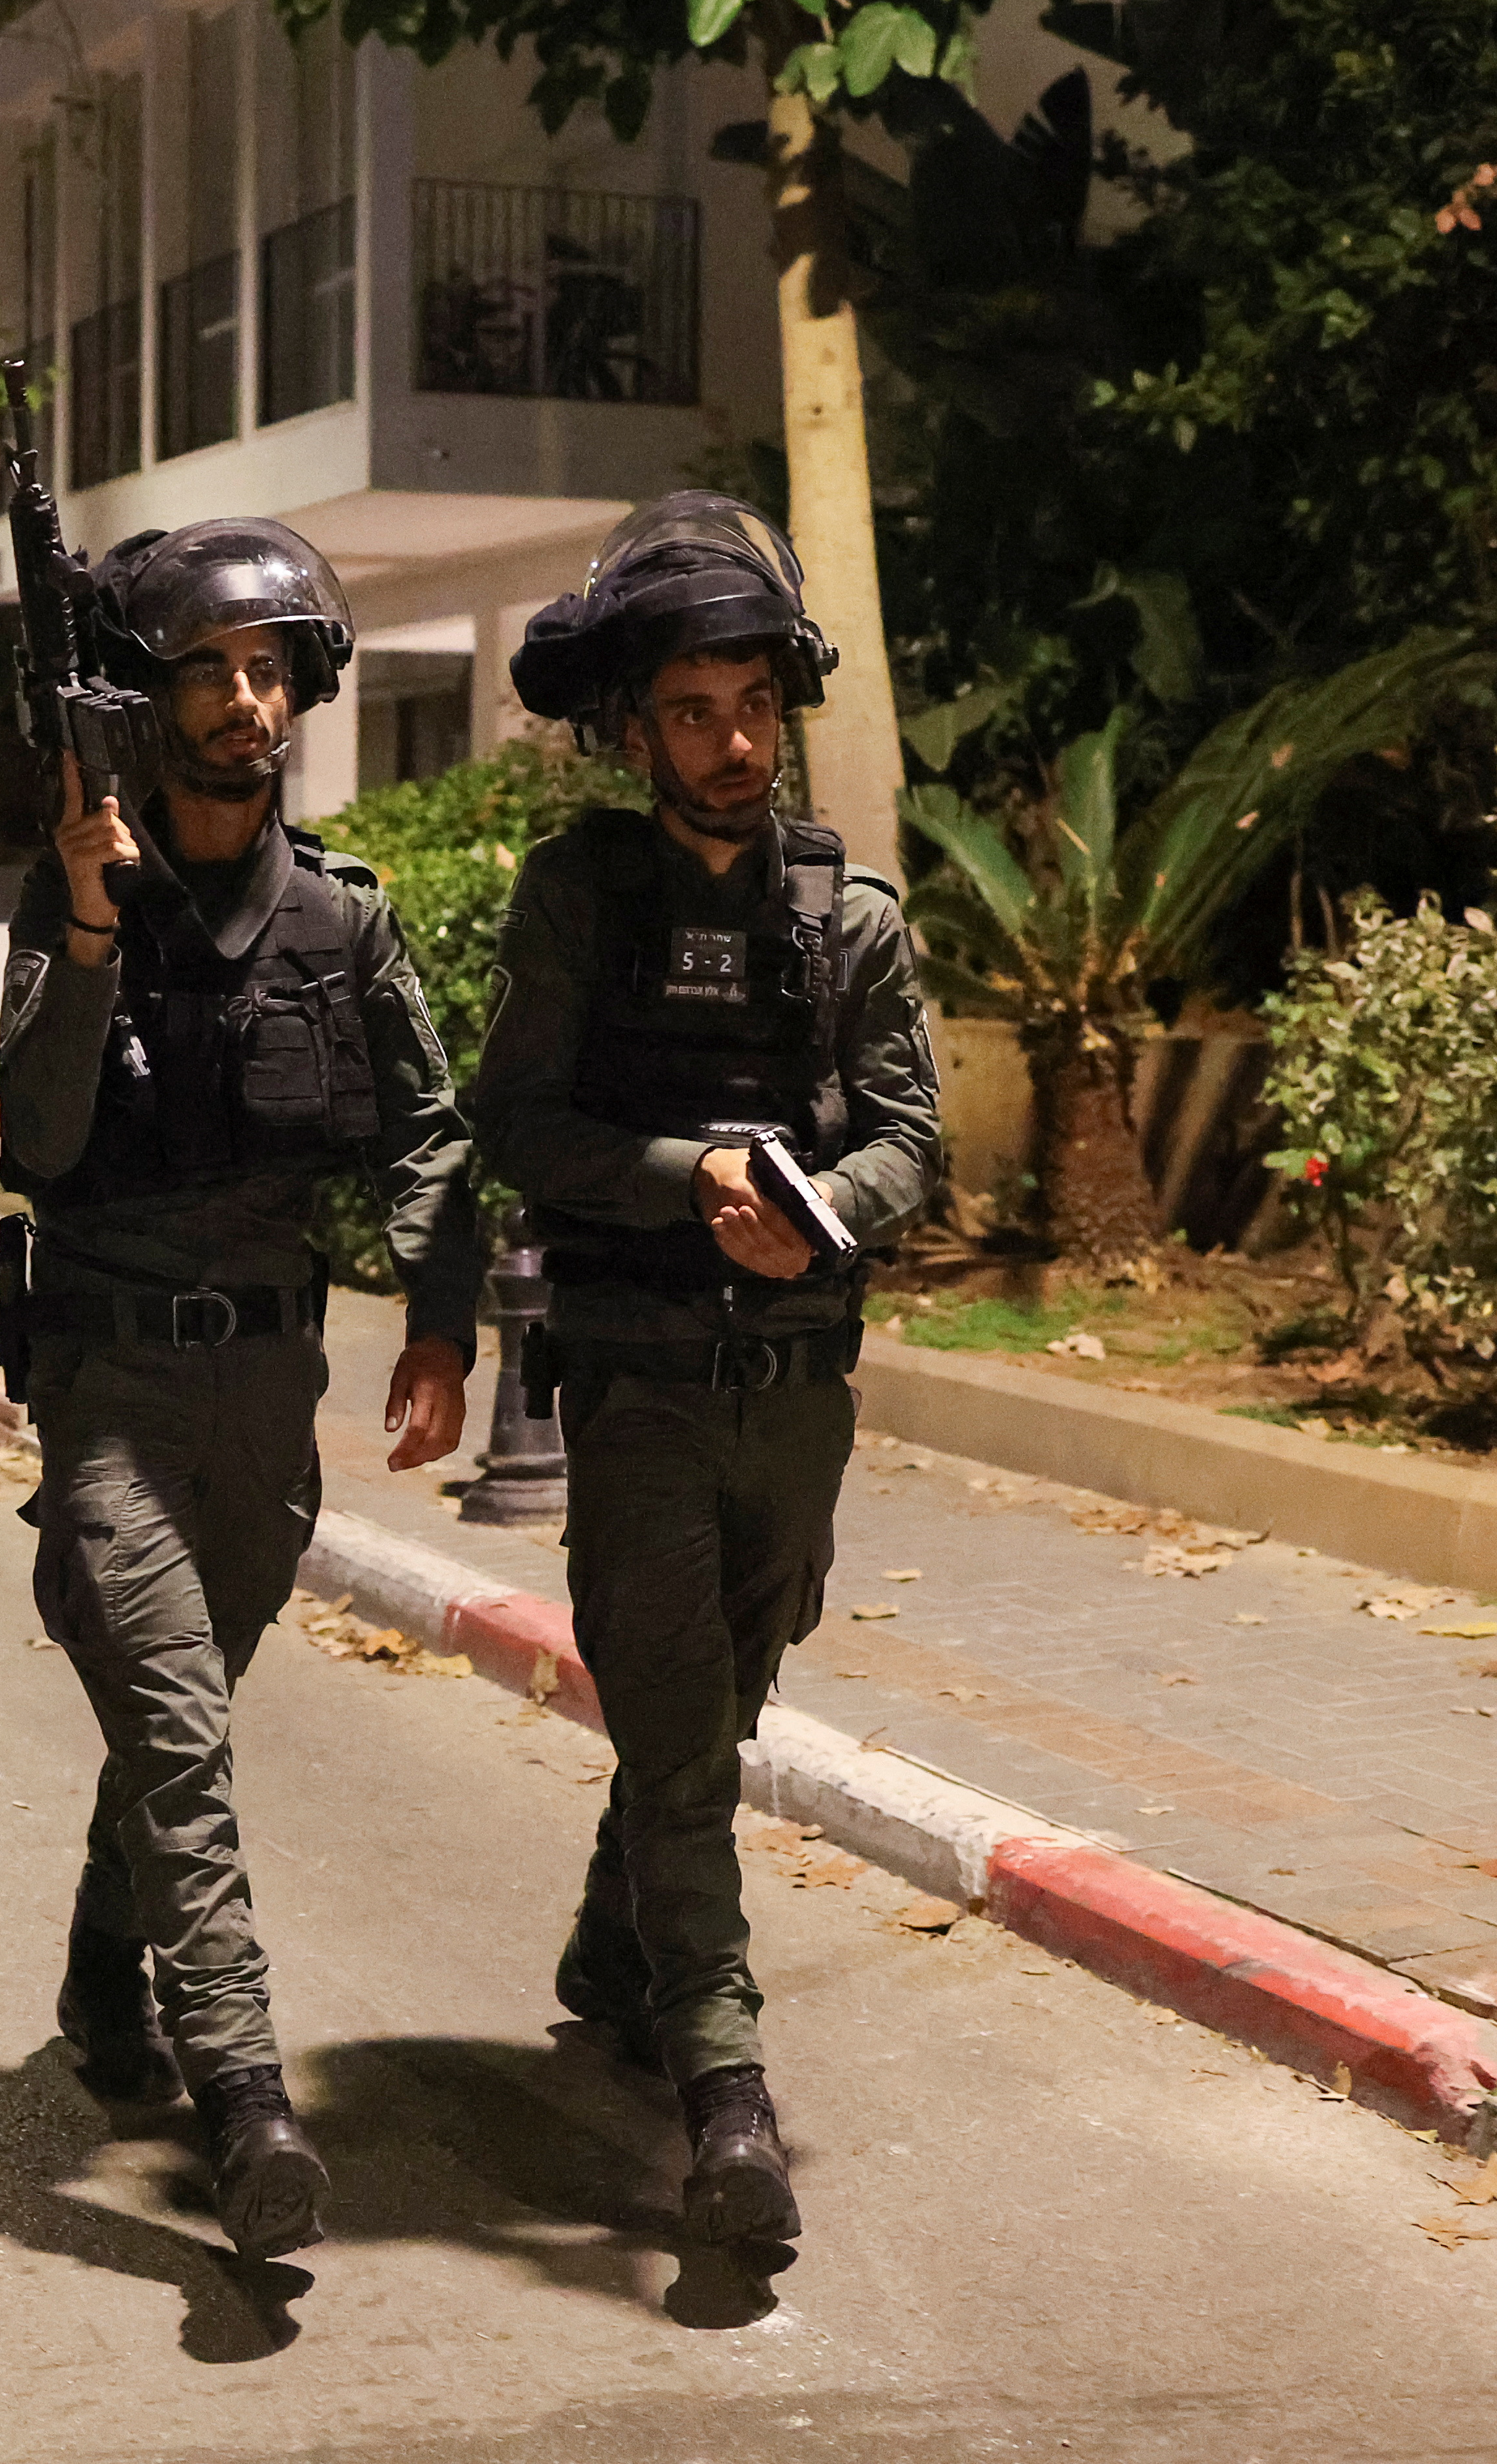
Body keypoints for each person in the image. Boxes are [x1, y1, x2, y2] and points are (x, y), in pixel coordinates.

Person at [0, 518, 482, 2260]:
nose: (244, 699)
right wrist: (86, 915)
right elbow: (39, 1133)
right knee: (186, 1740)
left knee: (180, 1718)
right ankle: (247, 2096)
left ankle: (92, 1972)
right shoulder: (71, 897)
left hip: (272, 1396)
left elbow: (426, 1125)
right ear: (148, 700)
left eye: (269, 669)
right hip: (112, 1388)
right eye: (205, 669)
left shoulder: (342, 917)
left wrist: (439, 1316)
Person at [472, 492, 945, 2245]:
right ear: (632, 725)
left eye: (753, 703)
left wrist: (815, 1214)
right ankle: (722, 2095)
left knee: (723, 1691)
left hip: (799, 1388)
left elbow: (913, 1142)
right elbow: (515, 1115)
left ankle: (615, 1947)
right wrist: (692, 1183)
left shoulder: (854, 917)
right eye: (691, 708)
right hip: (638, 1383)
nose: (732, 742)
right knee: (680, 1737)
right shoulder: (579, 896)